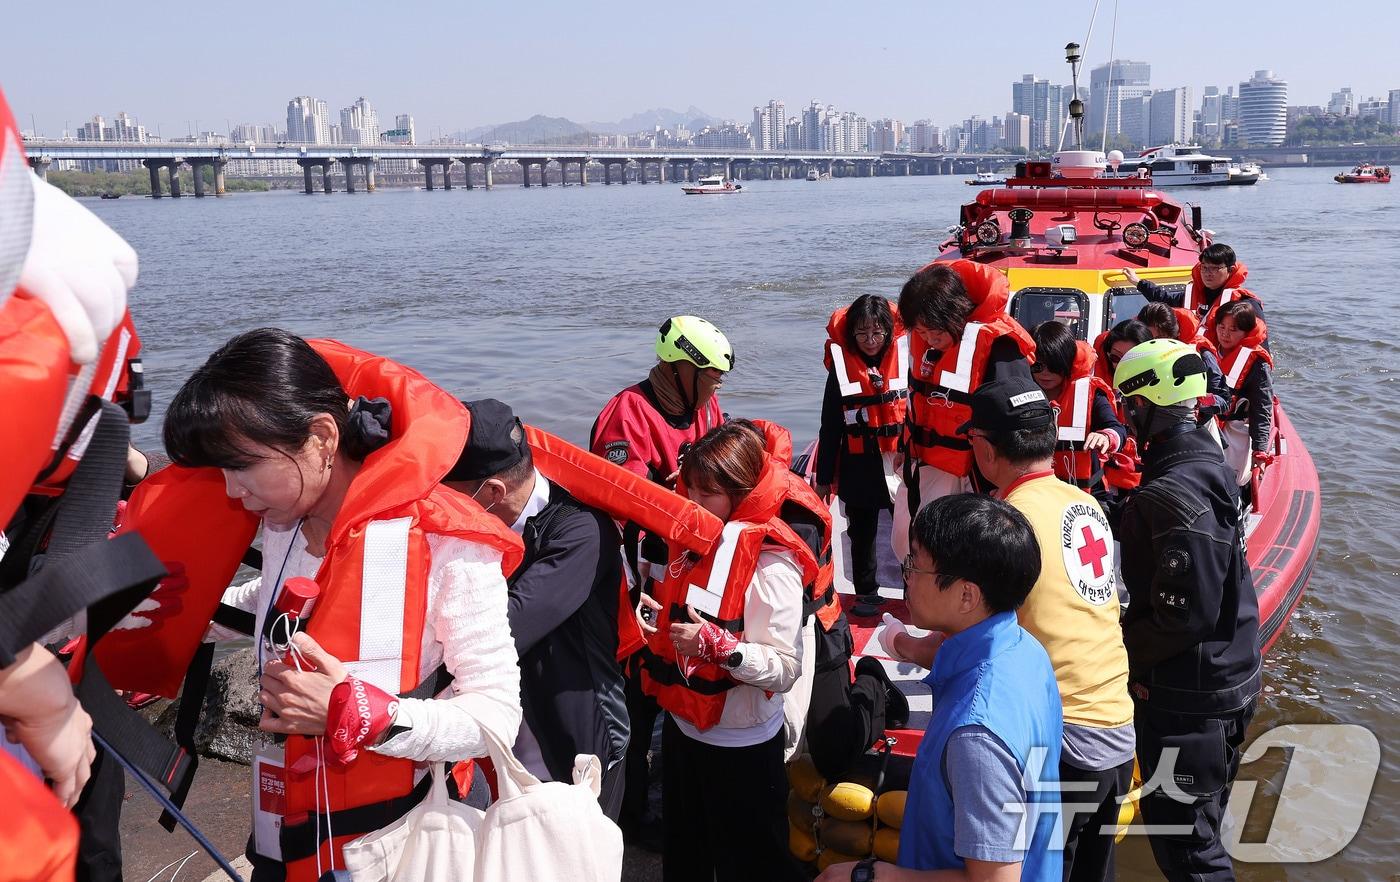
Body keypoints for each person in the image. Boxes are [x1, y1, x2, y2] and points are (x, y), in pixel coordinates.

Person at [107, 329, 525, 882]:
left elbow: (498, 715)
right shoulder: (289, 519)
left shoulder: (447, 540)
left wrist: (363, 714)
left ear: (322, 436)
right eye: (221, 472)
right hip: (285, 826)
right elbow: (283, 606)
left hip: (393, 843)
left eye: (242, 466)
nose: (233, 493)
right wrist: (185, 613)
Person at [820, 493, 1062, 882]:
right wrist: (904, 645)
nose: (906, 575)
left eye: (915, 564)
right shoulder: (1024, 650)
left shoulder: (977, 737)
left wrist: (875, 875)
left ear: (967, 594)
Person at [961, 371, 1136, 882]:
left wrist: (898, 641)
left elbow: (977, 640)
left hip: (1062, 741)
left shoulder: (1006, 523)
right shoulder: (1085, 503)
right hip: (1117, 725)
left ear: (986, 449)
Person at [1112, 339, 1262, 881]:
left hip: (1189, 696)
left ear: (1145, 405)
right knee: (1203, 823)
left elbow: (1184, 616)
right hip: (1229, 675)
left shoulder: (1168, 494)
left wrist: (1119, 651)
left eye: (1130, 405)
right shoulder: (1210, 463)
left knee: (1185, 845)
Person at [640, 420, 812, 882]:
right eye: (689, 489)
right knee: (685, 856)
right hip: (682, 727)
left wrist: (724, 649)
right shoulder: (688, 544)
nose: (692, 504)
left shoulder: (773, 565)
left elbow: (785, 669)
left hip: (743, 741)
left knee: (753, 862)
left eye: (707, 494)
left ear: (742, 493)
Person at [445, 398, 629, 819]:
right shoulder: (482, 523)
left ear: (492, 492)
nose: (443, 507)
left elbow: (507, 627)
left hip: (579, 738)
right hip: (510, 731)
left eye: (450, 495)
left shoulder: (581, 531)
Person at [590, 314, 732, 842]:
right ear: (680, 370)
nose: (717, 388)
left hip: (689, 573)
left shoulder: (705, 406)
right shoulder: (627, 419)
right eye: (712, 377)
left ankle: (677, 781)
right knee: (637, 698)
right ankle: (628, 813)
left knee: (683, 682)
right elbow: (621, 511)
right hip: (641, 581)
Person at [894, 259, 1035, 559]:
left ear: (957, 313)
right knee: (907, 546)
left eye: (935, 331)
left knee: (959, 557)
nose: (929, 340)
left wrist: (1004, 484)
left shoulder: (1000, 347)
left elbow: (1020, 423)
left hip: (975, 476)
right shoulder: (926, 343)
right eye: (920, 332)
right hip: (926, 466)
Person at [814, 294, 908, 606]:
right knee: (862, 533)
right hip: (859, 461)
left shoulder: (906, 359)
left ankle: (915, 593)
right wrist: (824, 476)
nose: (870, 340)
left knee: (909, 532)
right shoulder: (840, 370)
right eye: (862, 333)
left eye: (877, 333)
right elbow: (830, 426)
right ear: (852, 334)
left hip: (899, 459)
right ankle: (867, 593)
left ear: (889, 332)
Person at [1029, 320, 1126, 498]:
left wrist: (1105, 436)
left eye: (1054, 365)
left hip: (1086, 494)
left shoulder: (1089, 393)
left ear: (1067, 362)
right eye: (1038, 365)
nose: (1045, 373)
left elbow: (1117, 429)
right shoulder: (1021, 392)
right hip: (1036, 492)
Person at [1122, 243, 1265, 331]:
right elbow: (1164, 298)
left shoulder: (1245, 304)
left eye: (1215, 268)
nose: (1208, 273)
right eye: (1204, 267)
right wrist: (1139, 283)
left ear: (1231, 270)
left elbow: (1257, 340)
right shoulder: (1192, 293)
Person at [1212, 301, 1275, 501]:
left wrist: (1260, 452)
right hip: (1207, 423)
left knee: (1231, 479)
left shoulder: (1257, 364)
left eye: (1233, 329)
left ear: (1246, 332)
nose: (1225, 334)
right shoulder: (1208, 351)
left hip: (1235, 428)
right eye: (1221, 327)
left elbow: (1262, 409)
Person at [1137, 302, 1230, 424]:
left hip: (1191, 428)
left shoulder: (1201, 355)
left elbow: (1224, 400)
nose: (1153, 344)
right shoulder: (1134, 353)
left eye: (1159, 339)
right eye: (1148, 339)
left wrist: (1197, 400)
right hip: (1146, 426)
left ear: (1174, 335)